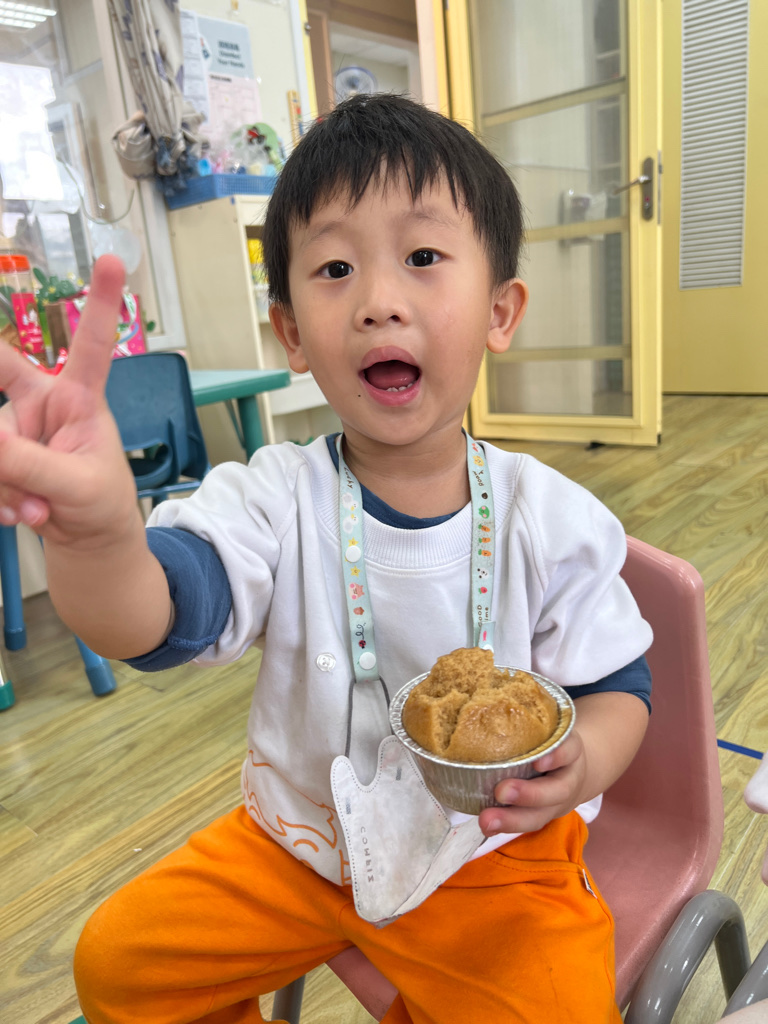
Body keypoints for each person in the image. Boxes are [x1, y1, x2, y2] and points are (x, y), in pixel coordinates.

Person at [0, 95, 654, 1023]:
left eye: (422, 258)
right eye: (336, 269)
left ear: (500, 310)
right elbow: (154, 618)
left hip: (494, 854)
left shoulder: (552, 519)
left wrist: (582, 766)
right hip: (301, 839)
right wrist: (100, 540)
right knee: (122, 966)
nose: (379, 300)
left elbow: (620, 687)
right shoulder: (273, 496)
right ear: (294, 333)